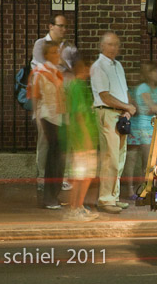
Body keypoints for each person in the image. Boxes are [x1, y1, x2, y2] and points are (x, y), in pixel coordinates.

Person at [90, 32, 137, 214]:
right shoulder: (98, 66)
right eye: (110, 44)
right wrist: (127, 106)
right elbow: (104, 96)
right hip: (107, 113)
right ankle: (105, 199)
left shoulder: (118, 65)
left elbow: (123, 90)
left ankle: (114, 197)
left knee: (120, 157)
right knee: (110, 158)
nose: (114, 48)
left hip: (120, 114)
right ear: (102, 46)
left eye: (116, 44)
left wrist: (127, 109)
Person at [31, 14, 77, 195]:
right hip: (47, 99)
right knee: (45, 141)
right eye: (60, 26)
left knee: (65, 140)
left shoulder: (69, 47)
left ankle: (63, 177)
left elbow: (73, 72)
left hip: (65, 99)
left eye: (66, 26)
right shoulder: (40, 44)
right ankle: (42, 178)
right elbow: (41, 69)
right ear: (51, 26)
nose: (64, 29)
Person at [29, 41, 66, 210]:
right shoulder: (41, 72)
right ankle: (49, 197)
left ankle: (54, 196)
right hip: (47, 116)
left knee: (59, 158)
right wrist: (37, 116)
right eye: (54, 52)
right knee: (53, 157)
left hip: (58, 117)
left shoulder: (57, 72)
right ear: (46, 55)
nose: (58, 54)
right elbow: (36, 95)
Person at [63, 53, 100, 222]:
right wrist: (85, 138)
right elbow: (78, 115)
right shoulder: (77, 86)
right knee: (81, 176)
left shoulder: (79, 86)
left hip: (83, 137)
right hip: (82, 138)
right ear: (83, 68)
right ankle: (74, 208)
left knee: (84, 176)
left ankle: (78, 207)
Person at [134, 62, 157, 195]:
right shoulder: (143, 88)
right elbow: (151, 107)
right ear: (149, 74)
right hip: (146, 128)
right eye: (156, 72)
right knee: (149, 160)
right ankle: (145, 189)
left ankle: (154, 189)